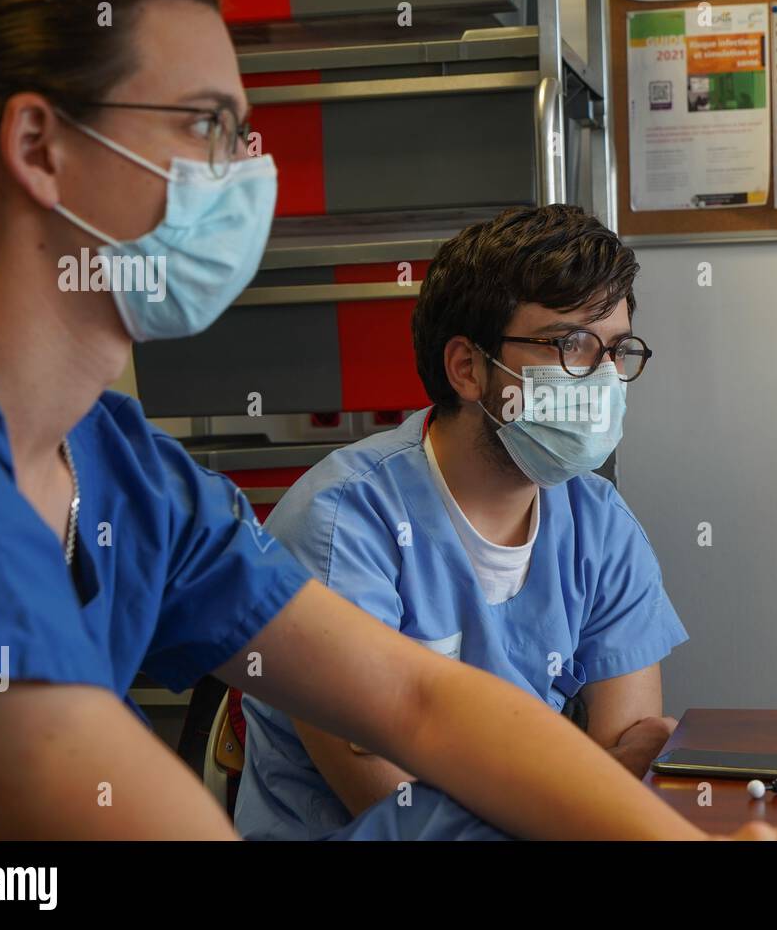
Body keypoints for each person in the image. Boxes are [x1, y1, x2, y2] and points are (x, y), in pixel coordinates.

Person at [0, 0, 777, 841]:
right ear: (40, 148)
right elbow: (59, 769)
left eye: (245, 134)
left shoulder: (132, 476)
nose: (244, 172)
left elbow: (417, 702)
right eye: (205, 125)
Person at [235, 205, 687, 839]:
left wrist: (607, 785)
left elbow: (631, 756)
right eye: (570, 345)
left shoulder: (599, 524)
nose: (604, 379)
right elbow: (395, 808)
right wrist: (583, 791)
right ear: (468, 368)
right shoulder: (342, 525)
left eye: (615, 351)